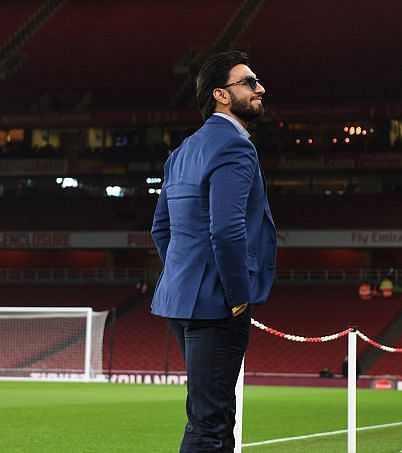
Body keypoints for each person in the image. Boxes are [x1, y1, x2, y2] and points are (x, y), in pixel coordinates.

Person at [151, 50, 277, 453]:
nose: (260, 88)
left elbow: (160, 229)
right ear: (222, 95)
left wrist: (184, 276)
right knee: (212, 425)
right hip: (218, 304)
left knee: (208, 419)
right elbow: (226, 230)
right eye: (250, 82)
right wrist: (237, 297)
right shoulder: (235, 148)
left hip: (180, 301)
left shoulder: (182, 151)